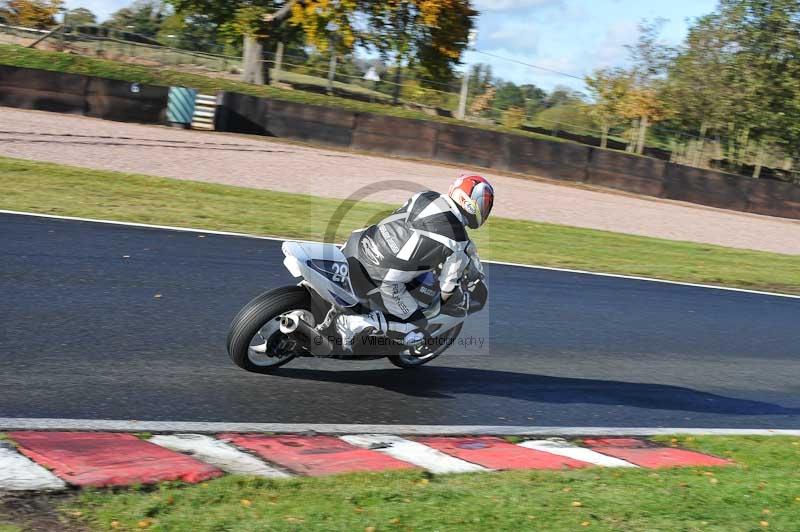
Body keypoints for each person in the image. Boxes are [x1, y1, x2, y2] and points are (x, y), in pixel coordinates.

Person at [336, 174, 494, 350]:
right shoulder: (459, 242)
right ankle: (356, 323)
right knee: (418, 327)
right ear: (472, 202)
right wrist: (447, 302)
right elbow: (446, 289)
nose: (485, 209)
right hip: (384, 276)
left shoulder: (426, 196)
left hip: (359, 244)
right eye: (485, 203)